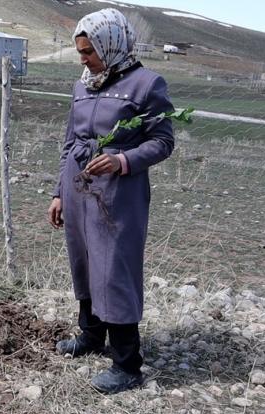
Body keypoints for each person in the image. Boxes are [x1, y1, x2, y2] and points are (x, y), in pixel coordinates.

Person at [48, 8, 175, 394]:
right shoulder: (83, 85)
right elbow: (70, 142)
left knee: (114, 269)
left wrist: (123, 160)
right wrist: (58, 192)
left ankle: (127, 364)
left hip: (119, 194)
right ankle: (90, 336)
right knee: (84, 262)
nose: (83, 59)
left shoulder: (146, 84)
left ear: (111, 44)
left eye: (88, 51)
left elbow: (163, 142)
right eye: (80, 52)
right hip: (78, 187)